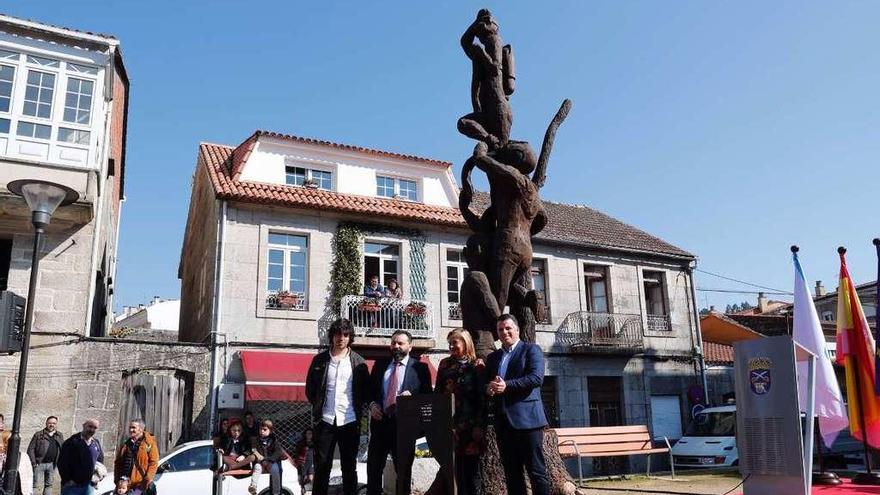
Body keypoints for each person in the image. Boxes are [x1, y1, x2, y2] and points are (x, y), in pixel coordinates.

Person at [485, 314, 549, 495]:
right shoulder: (494, 357)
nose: (504, 332)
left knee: (536, 471)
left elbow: (536, 378)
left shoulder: (531, 350)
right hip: (503, 421)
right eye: (500, 330)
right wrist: (489, 388)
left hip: (528, 421)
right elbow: (486, 382)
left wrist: (507, 385)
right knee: (512, 473)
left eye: (508, 328)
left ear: (517, 330)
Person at [305, 318, 370, 495]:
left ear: (350, 338)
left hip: (350, 420)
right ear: (332, 336)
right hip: (325, 421)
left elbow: (365, 392)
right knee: (322, 468)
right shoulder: (319, 360)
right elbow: (310, 390)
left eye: (346, 334)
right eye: (337, 334)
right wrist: (319, 408)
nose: (341, 338)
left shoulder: (359, 362)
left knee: (349, 468)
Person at [366, 330, 432, 495]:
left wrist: (413, 398)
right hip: (380, 427)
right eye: (393, 343)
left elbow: (428, 399)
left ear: (410, 346)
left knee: (403, 475)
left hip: (404, 430)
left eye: (400, 343)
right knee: (373, 472)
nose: (396, 346)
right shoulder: (380, 365)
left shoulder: (420, 368)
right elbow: (370, 393)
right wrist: (372, 405)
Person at [435, 329, 486, 495]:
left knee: (471, 473)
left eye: (454, 342)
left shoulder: (477, 365)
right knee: (452, 472)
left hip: (471, 427)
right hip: (449, 426)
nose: (451, 346)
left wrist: (479, 425)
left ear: (465, 342)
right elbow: (438, 395)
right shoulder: (444, 364)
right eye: (449, 343)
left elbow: (482, 398)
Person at [57, 419, 102, 495]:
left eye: (95, 428)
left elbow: (100, 460)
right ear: (84, 426)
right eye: (90, 426)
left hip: (89, 486)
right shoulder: (71, 442)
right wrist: (68, 480)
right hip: (72, 486)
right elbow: (62, 462)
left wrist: (96, 477)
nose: (92, 429)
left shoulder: (96, 443)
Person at [113, 419, 159, 495]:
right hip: (125, 484)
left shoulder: (149, 443)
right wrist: (117, 480)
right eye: (130, 427)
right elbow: (118, 462)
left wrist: (146, 480)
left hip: (139, 485)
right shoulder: (126, 443)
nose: (131, 430)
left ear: (141, 429)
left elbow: (153, 463)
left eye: (133, 427)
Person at [28, 415, 65, 495]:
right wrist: (34, 463)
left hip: (52, 464)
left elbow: (63, 449)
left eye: (54, 423)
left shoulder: (59, 435)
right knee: (34, 485)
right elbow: (31, 449)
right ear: (46, 423)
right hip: (39, 464)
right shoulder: (38, 434)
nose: (52, 425)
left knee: (49, 485)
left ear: (56, 424)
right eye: (50, 423)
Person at [249, 420, 285, 495]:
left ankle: (276, 492)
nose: (262, 431)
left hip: (270, 462)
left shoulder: (274, 440)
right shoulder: (256, 439)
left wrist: (269, 460)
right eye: (260, 429)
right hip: (260, 461)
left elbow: (279, 452)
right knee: (257, 468)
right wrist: (261, 459)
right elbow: (254, 450)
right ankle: (253, 486)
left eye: (265, 430)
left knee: (275, 470)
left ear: (271, 431)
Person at [292, 428, 315, 493]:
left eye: (311, 433)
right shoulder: (301, 443)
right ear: (305, 434)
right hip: (303, 462)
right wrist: (298, 460)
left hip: (311, 462)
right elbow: (297, 452)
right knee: (303, 477)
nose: (310, 435)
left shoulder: (314, 443)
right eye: (308, 433)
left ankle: (301, 485)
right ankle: (302, 488)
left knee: (310, 478)